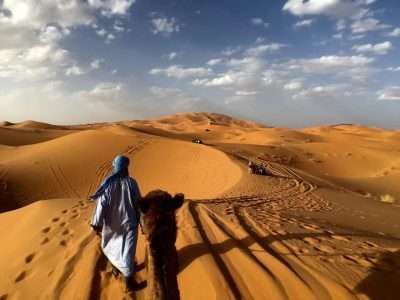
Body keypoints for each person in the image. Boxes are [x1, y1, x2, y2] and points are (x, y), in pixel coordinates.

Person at [90, 155, 142, 292]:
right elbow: (139, 204)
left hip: (112, 225)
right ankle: (128, 281)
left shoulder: (108, 184)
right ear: (126, 167)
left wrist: (96, 223)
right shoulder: (132, 183)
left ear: (115, 166)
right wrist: (141, 221)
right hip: (129, 223)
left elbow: (101, 204)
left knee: (114, 247)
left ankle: (118, 271)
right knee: (128, 252)